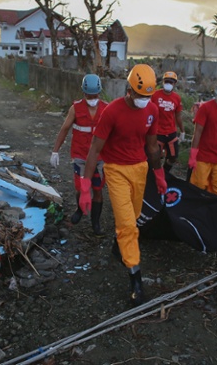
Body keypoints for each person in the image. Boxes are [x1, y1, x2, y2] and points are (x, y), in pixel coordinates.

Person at [79, 64, 167, 306]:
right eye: (139, 95)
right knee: (128, 225)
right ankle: (135, 279)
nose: (143, 100)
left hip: (140, 169)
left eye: (147, 96)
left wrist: (159, 176)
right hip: (116, 170)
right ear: (129, 89)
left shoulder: (152, 111)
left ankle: (118, 246)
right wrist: (85, 186)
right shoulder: (112, 112)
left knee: (134, 218)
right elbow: (95, 149)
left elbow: (151, 146)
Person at [50, 74, 108, 236]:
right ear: (83, 93)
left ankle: (95, 222)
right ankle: (80, 209)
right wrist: (55, 151)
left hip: (100, 159)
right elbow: (64, 129)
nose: (92, 99)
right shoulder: (75, 108)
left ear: (99, 93)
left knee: (97, 189)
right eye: (89, 96)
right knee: (79, 188)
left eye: (95, 95)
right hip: (80, 157)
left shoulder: (106, 108)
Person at [151, 71, 185, 173]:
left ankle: (164, 173)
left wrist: (182, 131)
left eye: (171, 82)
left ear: (174, 84)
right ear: (163, 82)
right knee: (154, 157)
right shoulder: (155, 95)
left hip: (171, 132)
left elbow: (178, 115)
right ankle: (154, 175)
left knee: (173, 157)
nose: (169, 84)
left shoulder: (177, 98)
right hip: (157, 132)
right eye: (167, 81)